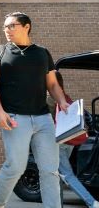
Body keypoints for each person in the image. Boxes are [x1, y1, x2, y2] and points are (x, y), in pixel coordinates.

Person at [0, 12, 69, 208]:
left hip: (43, 119)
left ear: (26, 26)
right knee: (15, 166)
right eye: (5, 26)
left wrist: (62, 102)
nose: (7, 30)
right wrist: (0, 112)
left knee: (50, 170)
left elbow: (53, 85)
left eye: (12, 26)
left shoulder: (42, 53)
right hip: (15, 118)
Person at [47, 71, 99, 208]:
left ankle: (91, 202)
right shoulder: (65, 97)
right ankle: (57, 204)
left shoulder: (49, 100)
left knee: (67, 175)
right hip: (69, 140)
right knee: (57, 173)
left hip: (57, 142)